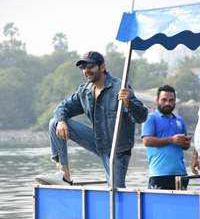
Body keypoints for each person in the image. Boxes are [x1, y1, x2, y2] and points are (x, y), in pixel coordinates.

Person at [35, 51, 148, 188]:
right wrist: (61, 120)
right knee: (55, 122)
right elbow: (62, 107)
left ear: (102, 67)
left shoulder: (120, 87)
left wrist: (128, 103)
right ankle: (64, 176)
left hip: (117, 150)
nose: (86, 71)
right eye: (83, 68)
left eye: (90, 66)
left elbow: (142, 116)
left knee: (116, 192)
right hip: (98, 141)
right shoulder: (85, 91)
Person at [141, 85, 191, 190]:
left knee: (181, 206)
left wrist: (186, 143)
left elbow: (185, 146)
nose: (167, 103)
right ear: (157, 100)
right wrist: (172, 139)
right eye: (164, 100)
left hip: (180, 174)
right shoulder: (150, 118)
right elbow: (147, 141)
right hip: (159, 174)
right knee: (157, 206)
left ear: (175, 102)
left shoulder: (180, 120)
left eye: (171, 100)